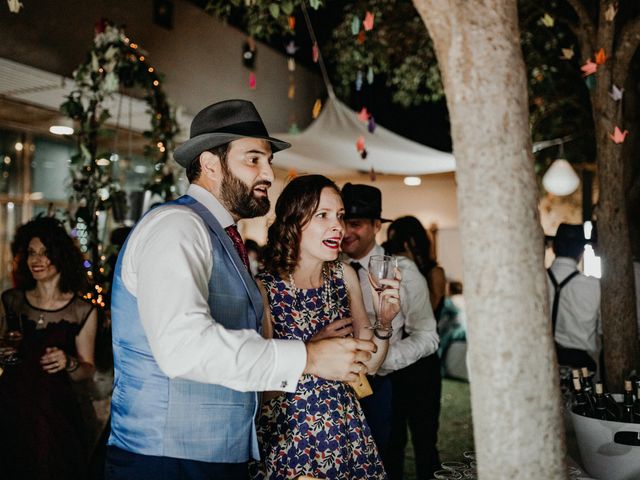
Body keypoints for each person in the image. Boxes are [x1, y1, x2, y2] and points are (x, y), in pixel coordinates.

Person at [105, 99, 376, 480]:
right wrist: (308, 358)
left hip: (223, 457)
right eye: (253, 160)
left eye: (268, 160)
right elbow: (182, 348)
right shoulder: (177, 227)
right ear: (209, 163)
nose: (268, 173)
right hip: (166, 460)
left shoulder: (222, 238)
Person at [250, 175, 400, 479]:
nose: (338, 227)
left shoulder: (343, 276)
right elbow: (260, 388)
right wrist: (311, 350)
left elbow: (368, 366)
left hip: (344, 428)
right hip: (291, 435)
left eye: (340, 216)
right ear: (295, 221)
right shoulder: (264, 288)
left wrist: (383, 322)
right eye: (323, 215)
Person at [340, 188, 440, 480]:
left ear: (376, 226)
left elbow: (428, 336)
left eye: (356, 223)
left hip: (407, 376)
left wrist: (382, 360)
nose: (346, 231)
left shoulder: (403, 271)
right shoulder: (333, 270)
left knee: (410, 453)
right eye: (343, 220)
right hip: (354, 383)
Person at [0, 216, 98, 480]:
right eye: (31, 253)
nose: (36, 260)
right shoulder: (11, 299)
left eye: (44, 253)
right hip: (10, 405)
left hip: (53, 414)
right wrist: (3, 355)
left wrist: (69, 362)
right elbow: (4, 354)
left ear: (60, 256)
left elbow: (87, 370)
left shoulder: (83, 311)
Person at [383, 215, 444, 479]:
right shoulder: (391, 267)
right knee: (394, 435)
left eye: (398, 238)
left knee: (424, 435)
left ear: (411, 240)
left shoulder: (432, 271)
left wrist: (411, 277)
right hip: (398, 365)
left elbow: (427, 308)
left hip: (424, 363)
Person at [547, 223, 601, 372]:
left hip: (545, 361)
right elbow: (602, 330)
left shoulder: (536, 280)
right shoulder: (594, 286)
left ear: (553, 247)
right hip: (583, 368)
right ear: (581, 252)